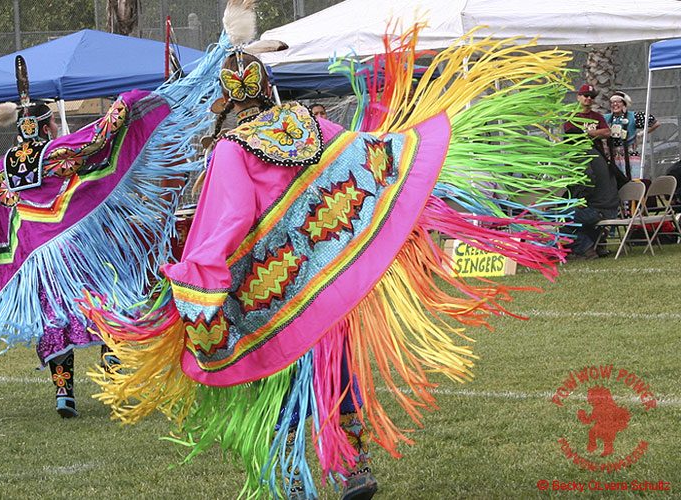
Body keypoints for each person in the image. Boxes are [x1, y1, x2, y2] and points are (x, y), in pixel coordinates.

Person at [79, 11, 588, 499]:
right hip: (329, 279)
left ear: (229, 102)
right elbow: (362, 157)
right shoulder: (310, 125)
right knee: (337, 369)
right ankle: (353, 466)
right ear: (269, 88)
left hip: (275, 295)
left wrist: (195, 277)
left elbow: (225, 224)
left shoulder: (232, 150)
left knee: (280, 386)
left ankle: (296, 476)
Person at [0, 41, 234, 420]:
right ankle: (113, 380)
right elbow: (100, 142)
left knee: (54, 320)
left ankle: (64, 392)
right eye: (50, 124)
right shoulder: (56, 153)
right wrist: (128, 104)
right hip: (76, 253)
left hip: (36, 264)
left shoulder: (1, 169)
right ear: (45, 125)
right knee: (108, 305)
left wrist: (9, 268)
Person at [564, 84, 619, 259]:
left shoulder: (584, 157)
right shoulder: (599, 158)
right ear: (579, 97)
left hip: (600, 210)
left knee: (562, 214)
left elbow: (586, 181)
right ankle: (594, 245)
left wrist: (578, 198)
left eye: (591, 96)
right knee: (578, 215)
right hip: (608, 207)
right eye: (585, 95)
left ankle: (586, 247)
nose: (588, 98)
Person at [604, 90, 659, 178]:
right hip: (612, 156)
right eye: (613, 102)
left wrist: (641, 134)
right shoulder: (606, 118)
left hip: (630, 155)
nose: (615, 104)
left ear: (624, 104)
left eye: (618, 102)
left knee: (633, 180)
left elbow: (655, 123)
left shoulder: (633, 116)